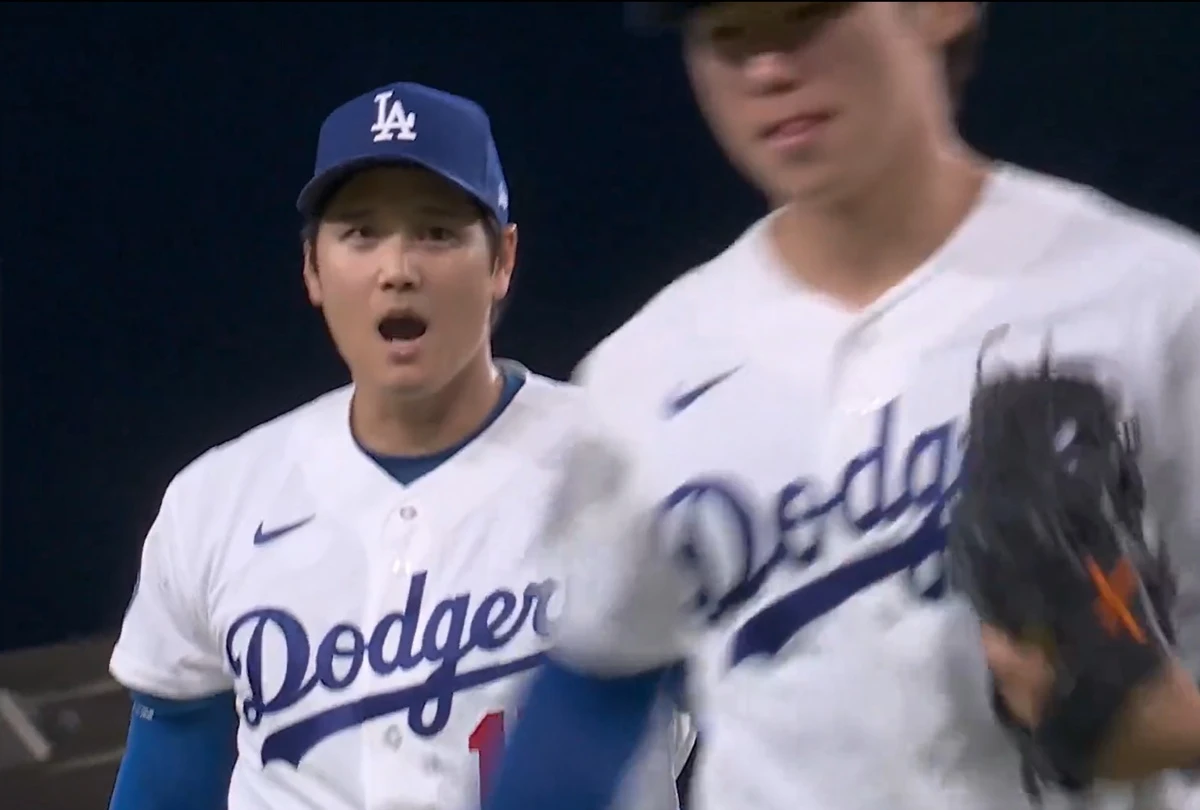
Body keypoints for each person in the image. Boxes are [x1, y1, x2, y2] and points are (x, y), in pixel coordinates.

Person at [484, 4, 1200, 810]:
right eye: (728, 39)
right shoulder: (641, 376)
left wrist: (1182, 729)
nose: (768, 71)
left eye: (804, 18)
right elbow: (591, 688)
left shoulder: (1152, 301)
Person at [106, 81, 687, 810]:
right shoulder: (214, 504)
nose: (398, 269)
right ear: (313, 268)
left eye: (437, 232)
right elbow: (166, 783)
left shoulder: (633, 467)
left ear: (502, 260)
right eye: (360, 234)